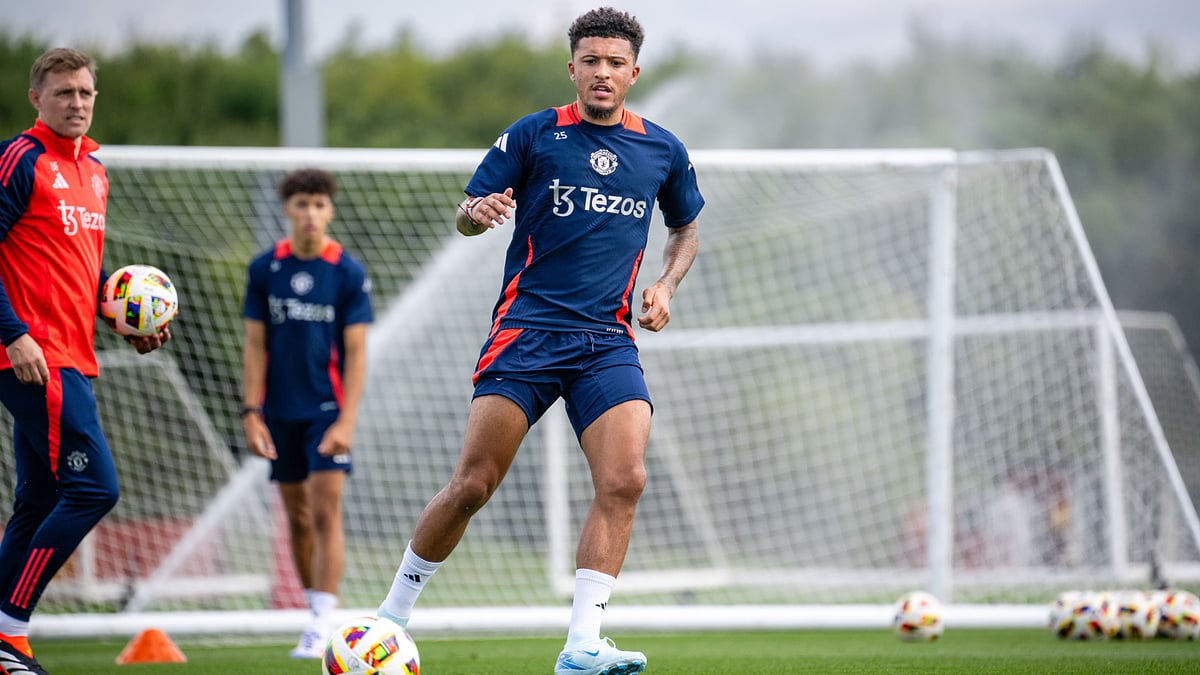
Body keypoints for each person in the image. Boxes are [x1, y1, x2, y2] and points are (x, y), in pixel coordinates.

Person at [377, 7, 703, 674]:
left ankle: (582, 644)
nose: (603, 72)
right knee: (473, 484)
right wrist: (477, 214)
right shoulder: (534, 135)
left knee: (626, 477)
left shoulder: (663, 150)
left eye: (615, 63)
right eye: (591, 61)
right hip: (527, 334)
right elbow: (469, 217)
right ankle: (389, 619)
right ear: (573, 69)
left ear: (634, 72)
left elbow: (686, 228)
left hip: (606, 342)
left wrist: (666, 283)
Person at [0, 48, 171, 675]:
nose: (77, 102)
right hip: (31, 355)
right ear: (36, 98)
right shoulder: (19, 159)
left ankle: (2, 635)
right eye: (65, 92)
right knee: (96, 488)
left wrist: (121, 315)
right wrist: (13, 333)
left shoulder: (94, 170)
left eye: (86, 93)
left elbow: (80, 267)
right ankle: (10, 635)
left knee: (39, 498)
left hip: (72, 353)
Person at [241, 168, 373, 659]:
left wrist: (346, 420)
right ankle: (312, 610)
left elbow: (357, 353)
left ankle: (322, 619)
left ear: (330, 210)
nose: (310, 214)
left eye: (319, 204)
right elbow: (255, 346)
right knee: (295, 517)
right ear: (287, 210)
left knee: (324, 509)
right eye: (301, 204)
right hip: (278, 411)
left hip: (326, 411)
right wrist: (251, 413)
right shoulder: (265, 269)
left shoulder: (347, 272)